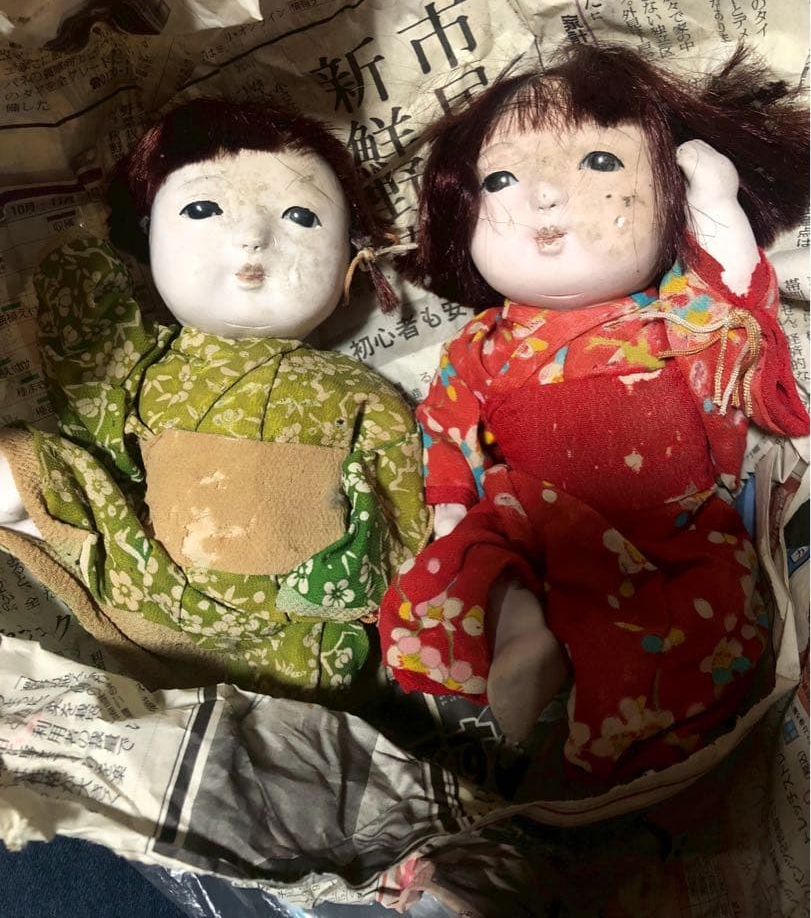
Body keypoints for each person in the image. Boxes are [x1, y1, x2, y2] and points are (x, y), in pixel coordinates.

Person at [378, 43, 809, 777]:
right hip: (531, 516)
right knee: (476, 565)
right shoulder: (478, 345)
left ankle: (608, 712)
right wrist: (449, 504)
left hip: (671, 517)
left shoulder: (668, 313)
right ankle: (524, 635)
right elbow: (444, 423)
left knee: (704, 619)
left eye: (601, 163)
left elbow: (736, 315)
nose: (545, 195)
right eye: (502, 178)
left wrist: (716, 208)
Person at [0, 99, 429, 698]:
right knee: (36, 467)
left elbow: (401, 504)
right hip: (157, 593)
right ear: (146, 241)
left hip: (304, 631)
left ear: (353, 262)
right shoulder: (148, 365)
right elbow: (97, 420)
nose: (253, 237)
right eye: (203, 209)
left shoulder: (360, 393)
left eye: (302, 217)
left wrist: (365, 587)